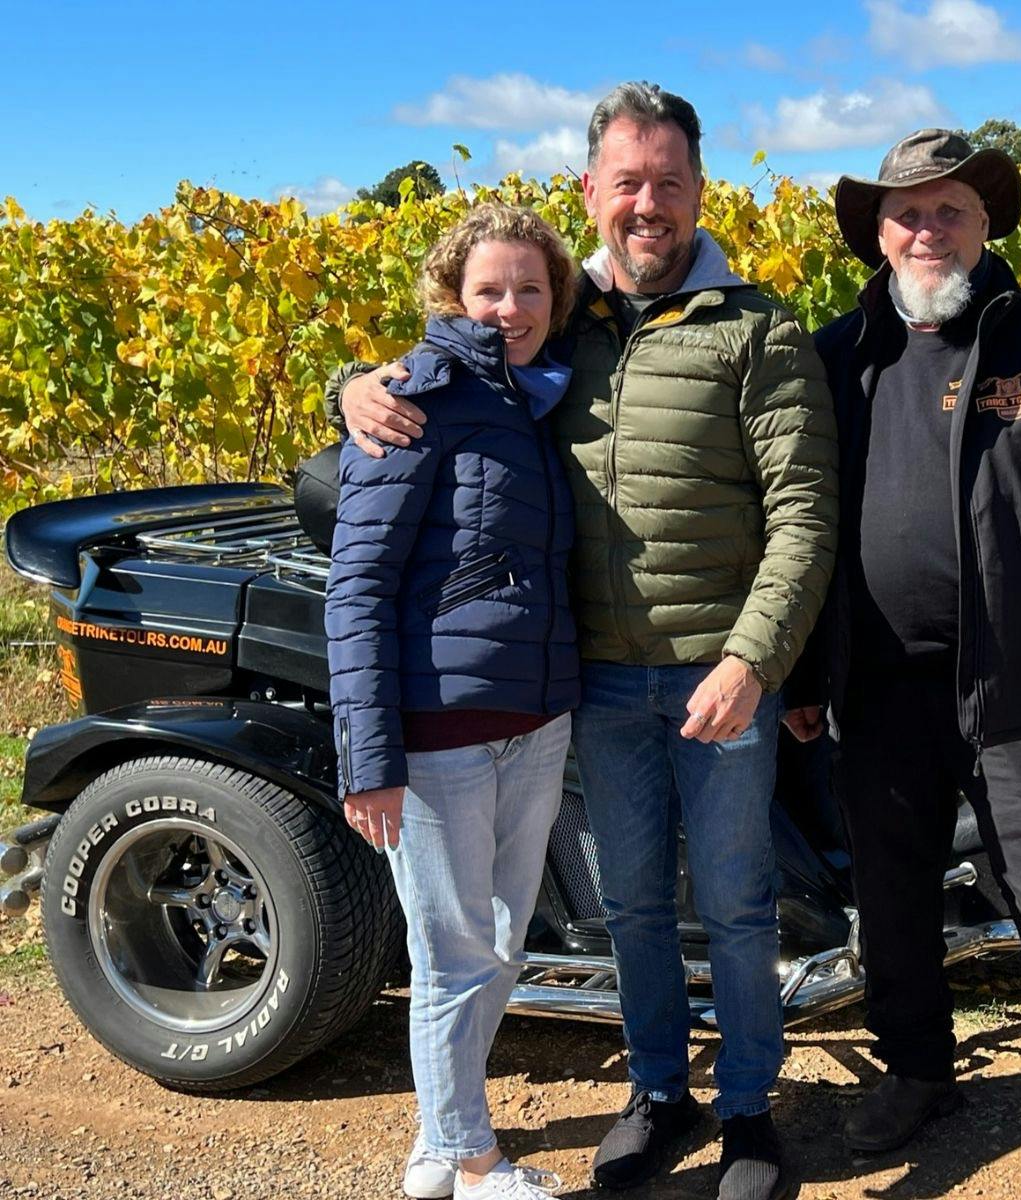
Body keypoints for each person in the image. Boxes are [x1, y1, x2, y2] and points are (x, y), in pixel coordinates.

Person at [327, 83, 837, 1200]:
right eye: (626, 183)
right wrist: (352, 388)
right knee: (634, 904)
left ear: (699, 189)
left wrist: (754, 660)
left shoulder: (757, 328)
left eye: (667, 181)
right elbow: (437, 377)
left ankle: (750, 1107)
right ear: (591, 193)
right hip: (592, 682)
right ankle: (658, 1091)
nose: (646, 203)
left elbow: (803, 512)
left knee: (740, 901)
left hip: (720, 675)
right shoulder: (558, 329)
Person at [784, 129, 1021, 1200]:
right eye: (905, 215)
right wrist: (809, 677)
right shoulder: (836, 355)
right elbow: (804, 528)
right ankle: (916, 1073)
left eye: (948, 210)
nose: (925, 230)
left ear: (984, 223)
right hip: (878, 690)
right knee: (891, 901)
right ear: (878, 234)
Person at [324, 202, 581, 1200]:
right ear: (451, 295)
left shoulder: (541, 396)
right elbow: (359, 588)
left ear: (556, 297)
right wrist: (370, 759)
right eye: (489, 288)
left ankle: (438, 1140)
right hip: (438, 739)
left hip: (535, 723)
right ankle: (475, 1162)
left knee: (502, 940)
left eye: (530, 288)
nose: (511, 306)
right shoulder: (408, 398)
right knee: (450, 952)